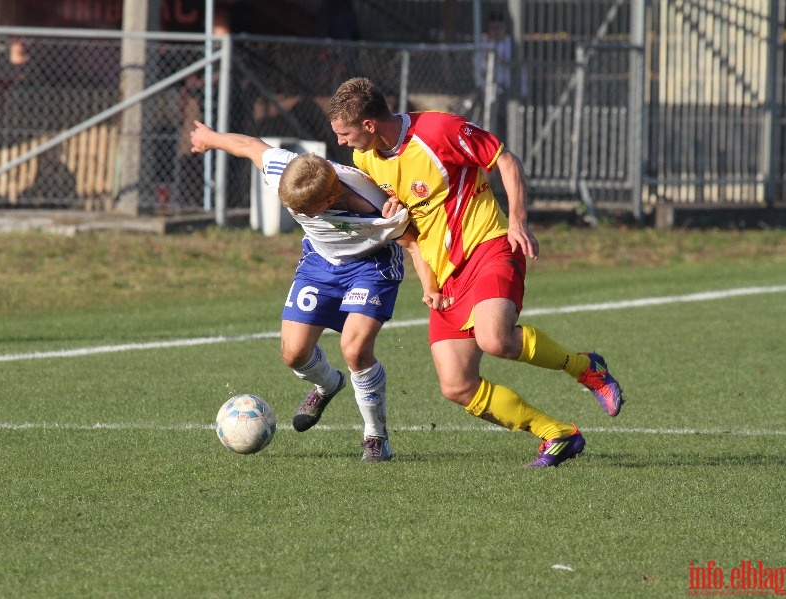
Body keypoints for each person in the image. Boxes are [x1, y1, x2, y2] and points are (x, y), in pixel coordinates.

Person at [326, 77, 624, 468]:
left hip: (490, 246)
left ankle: (587, 368)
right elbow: (409, 232)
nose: (341, 143)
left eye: (344, 133)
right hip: (446, 276)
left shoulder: (438, 130)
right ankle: (557, 434)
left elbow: (505, 159)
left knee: (495, 339)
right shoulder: (366, 160)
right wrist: (422, 269)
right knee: (456, 386)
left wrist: (517, 220)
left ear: (369, 125)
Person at [189, 121, 447, 462]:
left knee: (354, 349)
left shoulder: (377, 208)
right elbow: (251, 145)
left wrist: (430, 288)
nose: (296, 214)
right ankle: (328, 384)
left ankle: (375, 436)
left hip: (371, 266)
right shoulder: (291, 171)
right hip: (320, 262)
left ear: (329, 200)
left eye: (304, 211)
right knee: (293, 354)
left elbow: (413, 244)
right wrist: (210, 139)